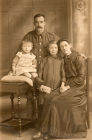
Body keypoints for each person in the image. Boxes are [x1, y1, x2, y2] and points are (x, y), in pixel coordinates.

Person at [33, 39, 87, 139]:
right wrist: (63, 85)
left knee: (56, 101)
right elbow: (64, 76)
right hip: (66, 84)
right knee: (49, 98)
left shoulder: (78, 58)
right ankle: (43, 131)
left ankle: (52, 132)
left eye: (65, 45)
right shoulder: (63, 58)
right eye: (61, 47)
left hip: (77, 87)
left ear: (70, 45)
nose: (64, 48)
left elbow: (81, 78)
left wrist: (66, 86)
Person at [23, 13, 59, 119]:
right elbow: (20, 52)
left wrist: (76, 53)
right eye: (37, 22)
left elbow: (63, 46)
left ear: (45, 23)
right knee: (30, 93)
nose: (39, 24)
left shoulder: (52, 36)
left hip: (46, 70)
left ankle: (45, 118)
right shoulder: (28, 36)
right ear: (34, 23)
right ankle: (32, 119)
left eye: (41, 22)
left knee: (46, 93)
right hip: (31, 69)